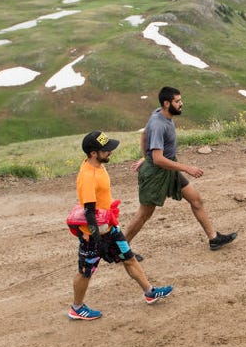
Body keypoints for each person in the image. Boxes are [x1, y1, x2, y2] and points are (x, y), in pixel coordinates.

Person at [69, 130, 173, 320]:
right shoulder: (88, 176)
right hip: (92, 234)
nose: (111, 152)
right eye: (106, 150)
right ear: (93, 153)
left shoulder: (99, 165)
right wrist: (97, 239)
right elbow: (89, 212)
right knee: (85, 272)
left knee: (129, 257)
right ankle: (76, 307)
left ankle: (149, 292)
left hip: (109, 227)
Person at [124, 86, 237, 251]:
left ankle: (214, 238)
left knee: (195, 199)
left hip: (169, 168)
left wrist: (144, 156)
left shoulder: (159, 113)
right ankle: (121, 248)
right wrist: (186, 168)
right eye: (177, 101)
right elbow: (158, 159)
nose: (181, 104)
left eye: (180, 100)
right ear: (166, 103)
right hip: (156, 173)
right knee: (144, 214)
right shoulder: (158, 124)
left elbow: (143, 135)